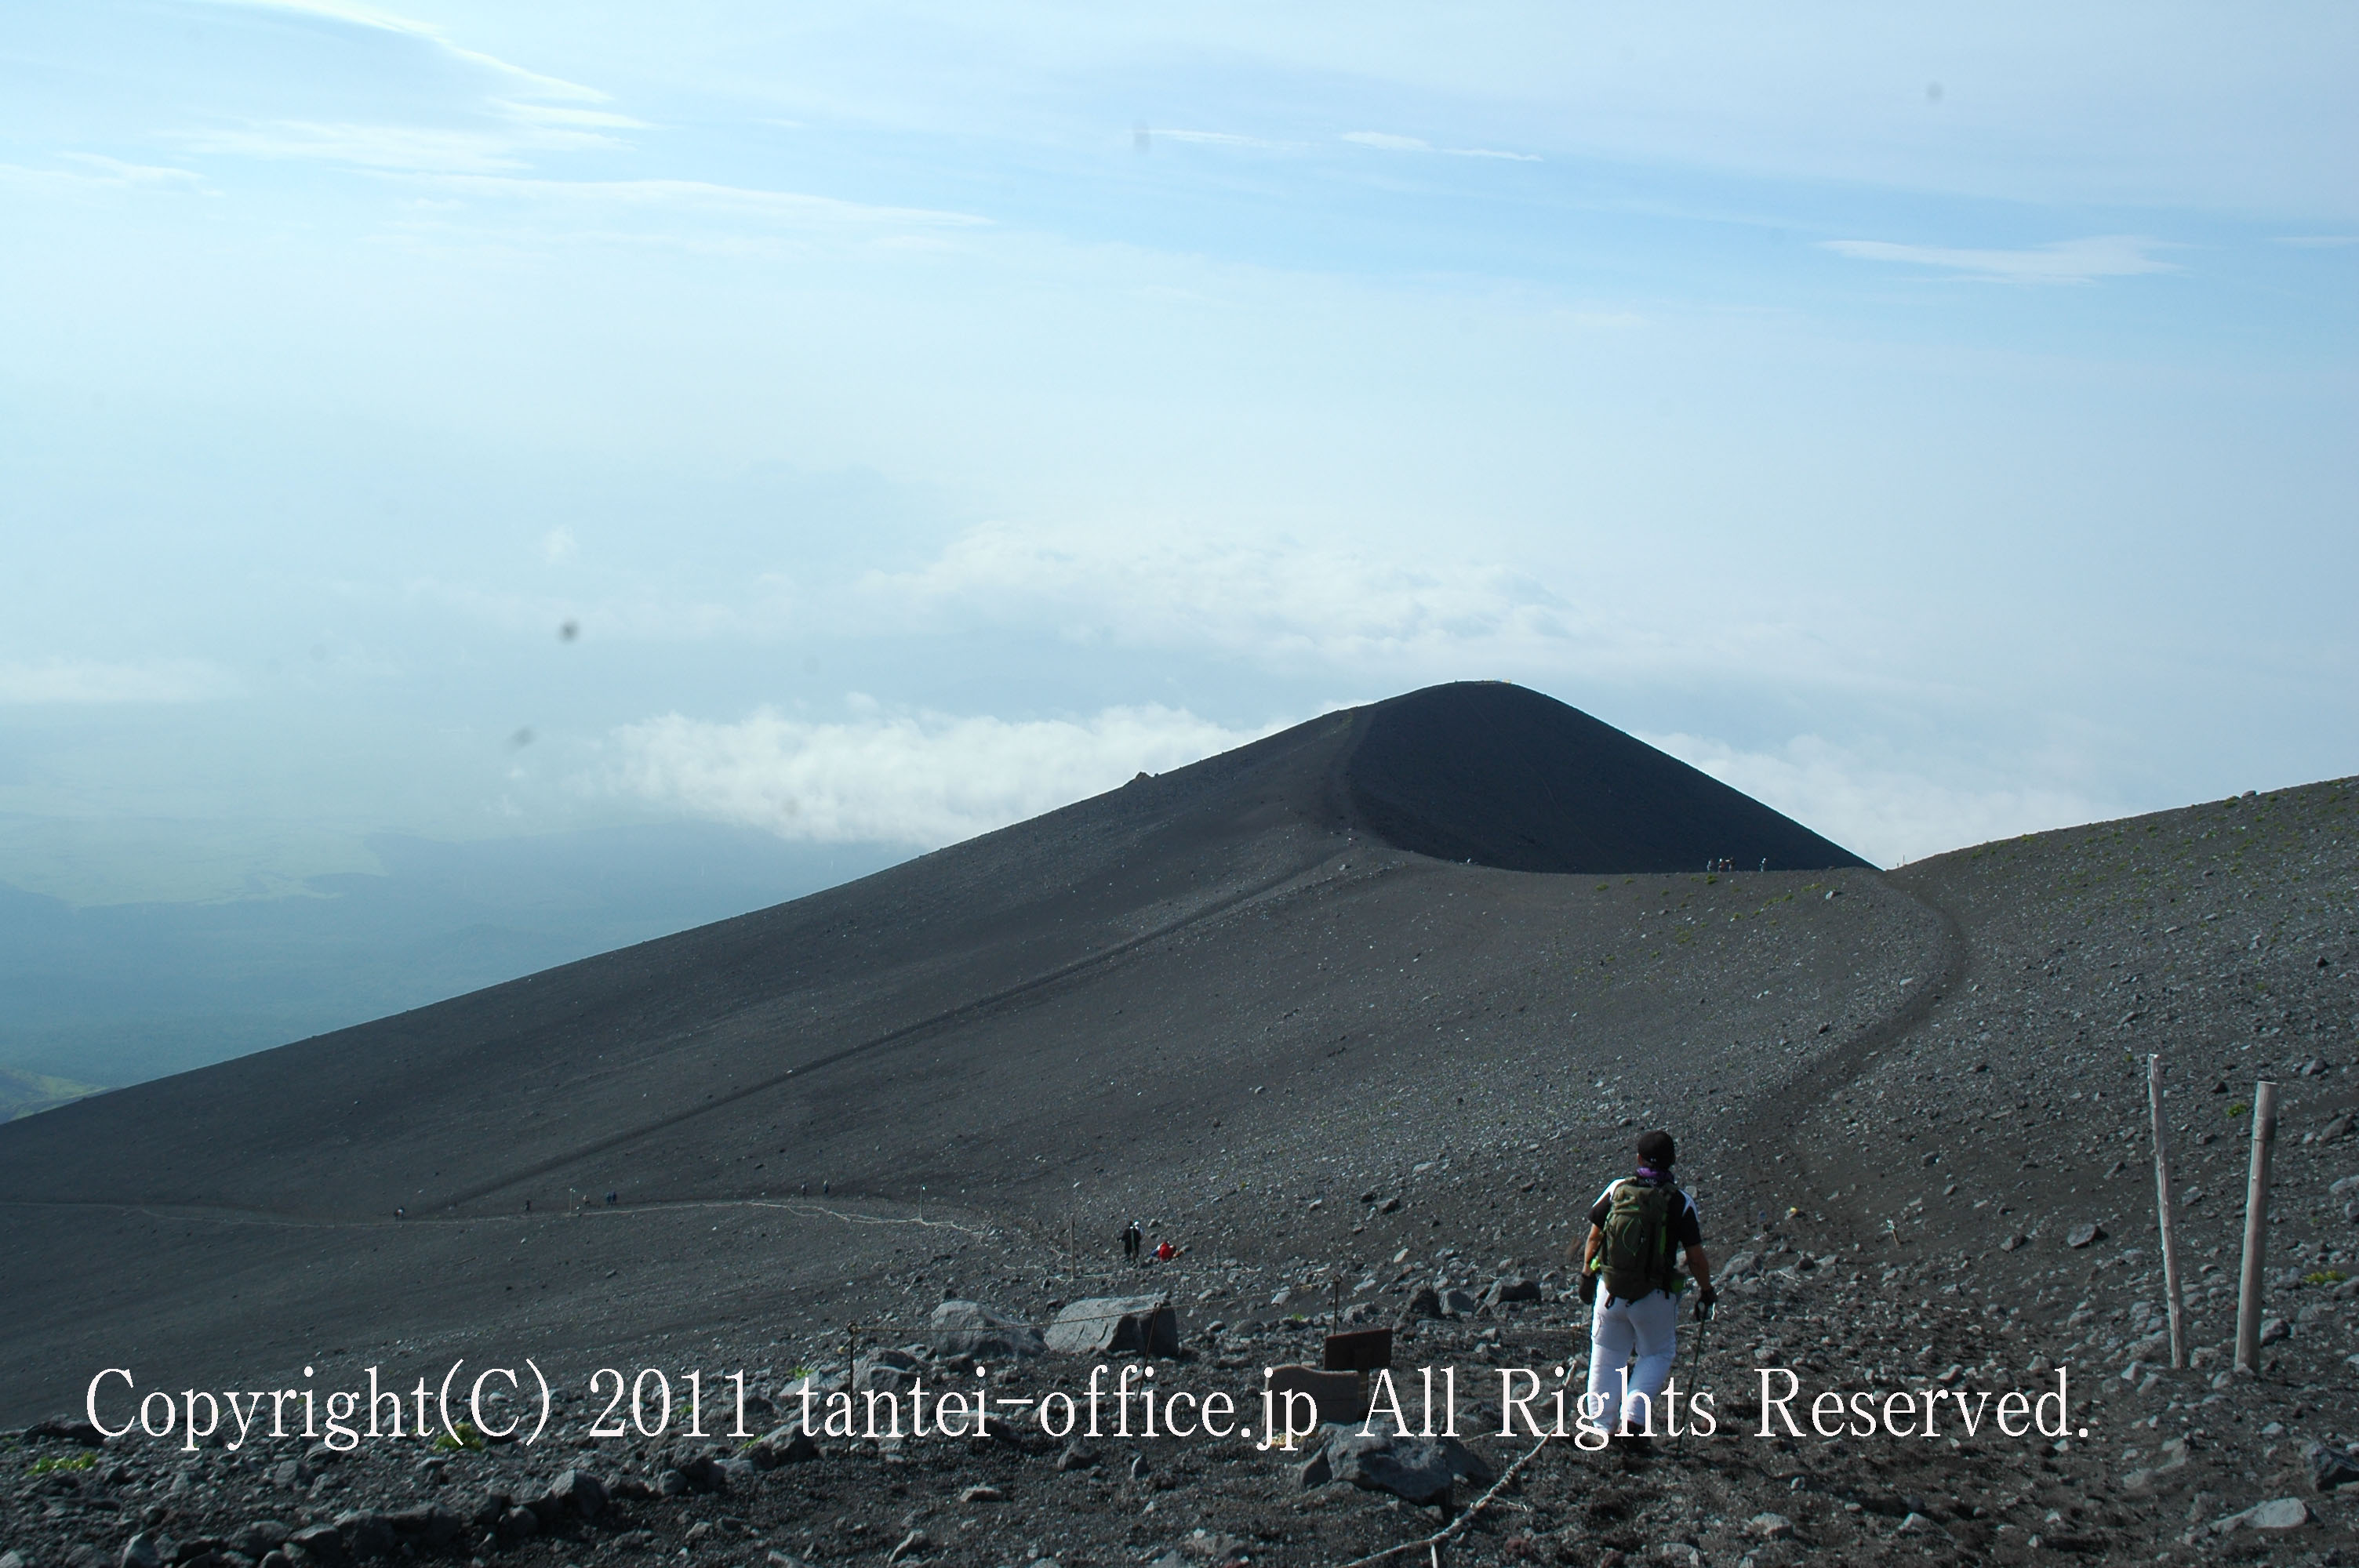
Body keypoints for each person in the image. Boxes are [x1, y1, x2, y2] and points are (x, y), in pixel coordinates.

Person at [1575, 1129, 1714, 1441]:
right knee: (1657, 1354)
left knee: (1607, 1350)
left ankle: (1599, 1427)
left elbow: (1595, 1237)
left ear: (1638, 1159)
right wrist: (1706, 1290)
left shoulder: (1617, 1190)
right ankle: (1634, 1421)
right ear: (1673, 1162)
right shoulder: (1680, 1202)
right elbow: (1695, 1258)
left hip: (1610, 1291)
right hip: (1655, 1296)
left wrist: (1586, 1275)